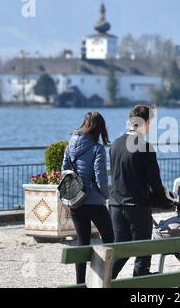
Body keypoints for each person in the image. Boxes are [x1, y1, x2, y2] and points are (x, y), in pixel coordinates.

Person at [109, 105, 173, 278]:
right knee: (143, 253)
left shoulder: (115, 144)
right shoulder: (145, 147)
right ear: (145, 122)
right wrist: (166, 202)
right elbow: (155, 184)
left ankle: (102, 280)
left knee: (121, 250)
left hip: (115, 206)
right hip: (137, 207)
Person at [62, 111, 114, 284]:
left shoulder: (70, 145)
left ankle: (80, 283)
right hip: (94, 202)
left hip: (76, 201)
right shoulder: (97, 149)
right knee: (110, 240)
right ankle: (105, 280)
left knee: (82, 242)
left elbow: (65, 170)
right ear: (99, 128)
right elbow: (100, 177)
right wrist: (106, 195)